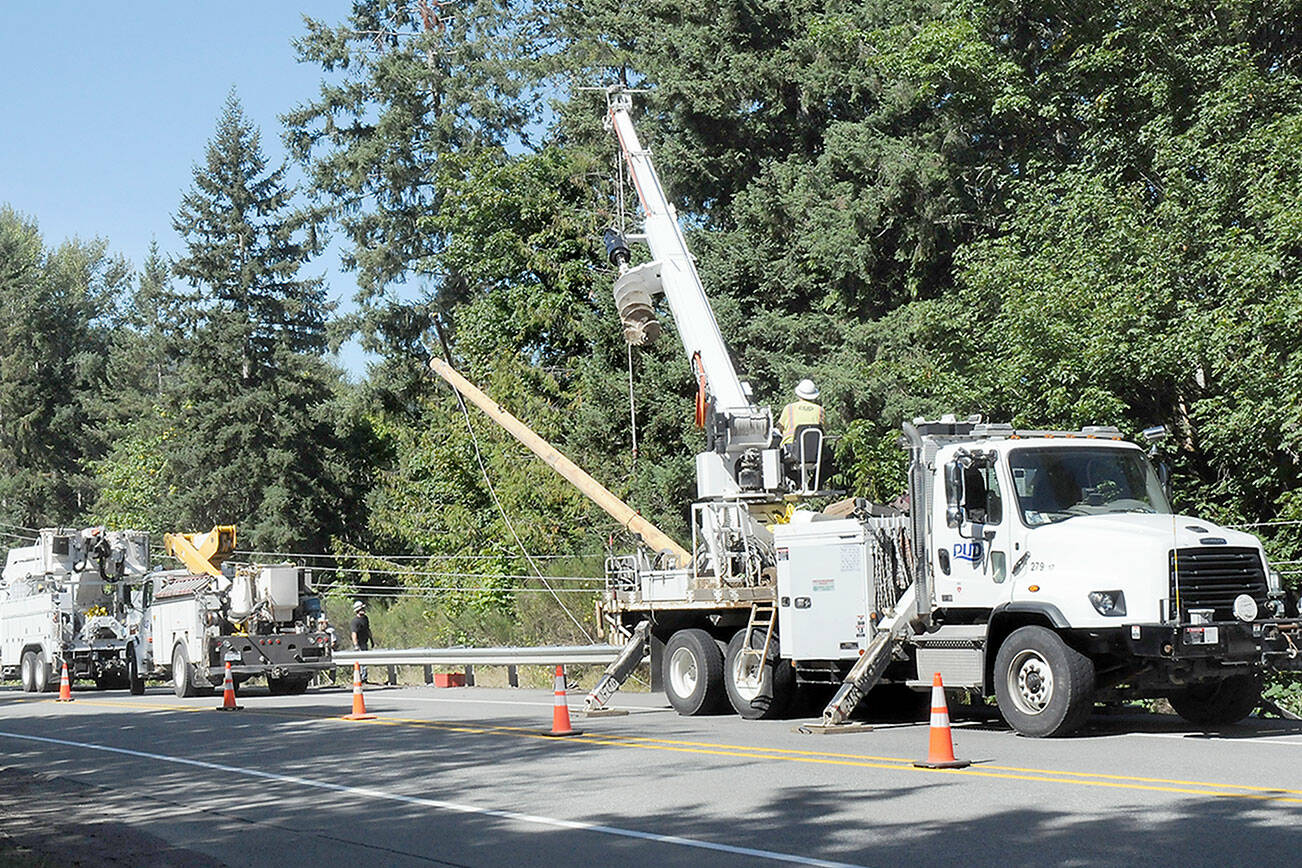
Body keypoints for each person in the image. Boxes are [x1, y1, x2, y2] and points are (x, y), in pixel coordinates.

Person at [777, 379, 825, 449]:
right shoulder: (820, 410)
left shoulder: (789, 408)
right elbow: (823, 429)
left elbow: (780, 427)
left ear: (798, 394)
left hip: (791, 448)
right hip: (815, 449)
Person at [350, 601, 374, 682]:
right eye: (361, 608)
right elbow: (354, 634)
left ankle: (364, 678)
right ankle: (360, 677)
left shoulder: (365, 619)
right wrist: (356, 645)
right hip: (359, 643)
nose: (363, 610)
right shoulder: (355, 621)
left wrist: (371, 640)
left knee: (364, 661)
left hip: (365, 642)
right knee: (360, 661)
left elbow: (368, 630)